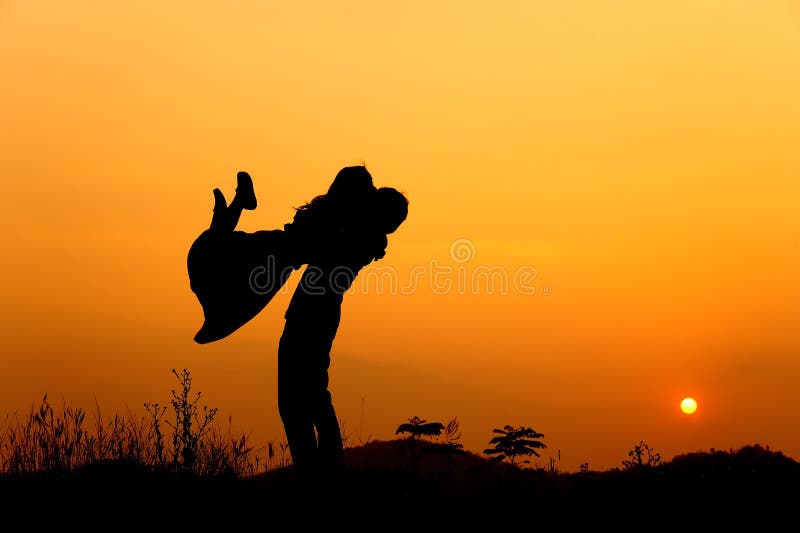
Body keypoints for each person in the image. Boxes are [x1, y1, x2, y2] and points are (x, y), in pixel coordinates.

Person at [277, 167, 409, 479]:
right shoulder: (357, 233)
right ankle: (323, 473)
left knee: (300, 400)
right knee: (312, 396)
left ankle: (318, 474)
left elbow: (311, 231)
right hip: (317, 315)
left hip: (311, 315)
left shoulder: (353, 235)